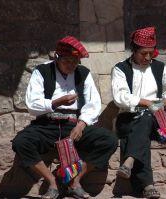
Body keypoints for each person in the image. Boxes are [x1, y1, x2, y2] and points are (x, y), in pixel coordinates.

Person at [12, 36, 118, 199]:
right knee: (21, 142)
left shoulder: (83, 73)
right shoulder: (42, 71)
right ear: (57, 57)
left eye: (75, 61)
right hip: (46, 124)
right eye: (67, 61)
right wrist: (56, 102)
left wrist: (81, 125)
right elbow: (32, 104)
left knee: (109, 140)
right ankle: (52, 181)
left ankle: (74, 181)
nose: (71, 65)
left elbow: (93, 103)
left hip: (74, 125)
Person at [111, 27, 166, 198]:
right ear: (134, 50)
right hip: (129, 118)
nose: (148, 57)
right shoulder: (120, 69)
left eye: (151, 53)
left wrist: (164, 102)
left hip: (157, 119)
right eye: (144, 53)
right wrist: (146, 102)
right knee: (143, 124)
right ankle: (148, 186)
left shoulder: (159, 68)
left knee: (147, 117)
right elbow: (120, 97)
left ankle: (129, 161)